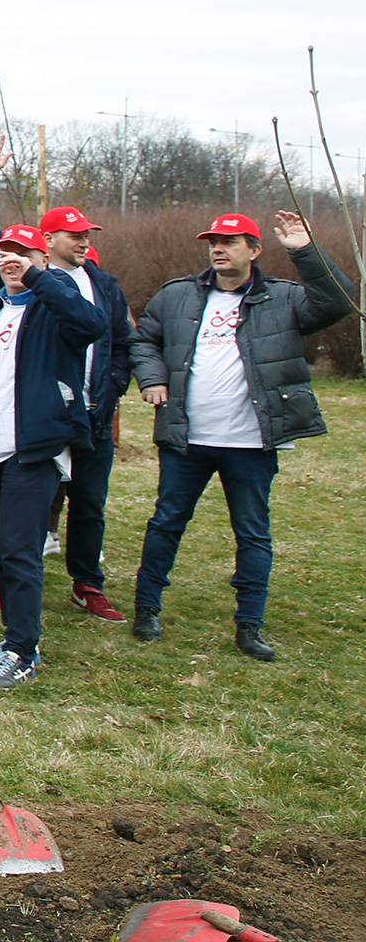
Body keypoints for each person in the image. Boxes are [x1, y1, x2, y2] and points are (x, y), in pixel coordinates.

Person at [129, 209, 353, 661]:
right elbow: (143, 339)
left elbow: (337, 302)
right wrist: (152, 378)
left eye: (229, 242)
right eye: (213, 242)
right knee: (166, 523)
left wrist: (306, 251)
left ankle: (249, 625)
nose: (218, 249)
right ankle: (146, 609)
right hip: (187, 439)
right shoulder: (177, 296)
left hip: (251, 442)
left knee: (252, 533)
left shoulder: (283, 299)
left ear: (254, 250)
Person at [0, 132, 107, 691]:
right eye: (4, 256)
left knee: (22, 553)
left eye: (23, 254)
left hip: (32, 449)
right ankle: (15, 634)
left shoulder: (56, 304)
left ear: (43, 258)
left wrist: (39, 276)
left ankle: (23, 650)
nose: (10, 261)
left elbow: (93, 327)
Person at [29, 206, 134, 623]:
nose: (84, 242)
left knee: (90, 505)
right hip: (50, 415)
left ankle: (87, 584)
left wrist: (116, 383)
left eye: (86, 235)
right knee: (33, 502)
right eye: (74, 235)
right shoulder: (36, 281)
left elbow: (123, 340)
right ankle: (12, 581)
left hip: (95, 414)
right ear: (48, 240)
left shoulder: (104, 284)